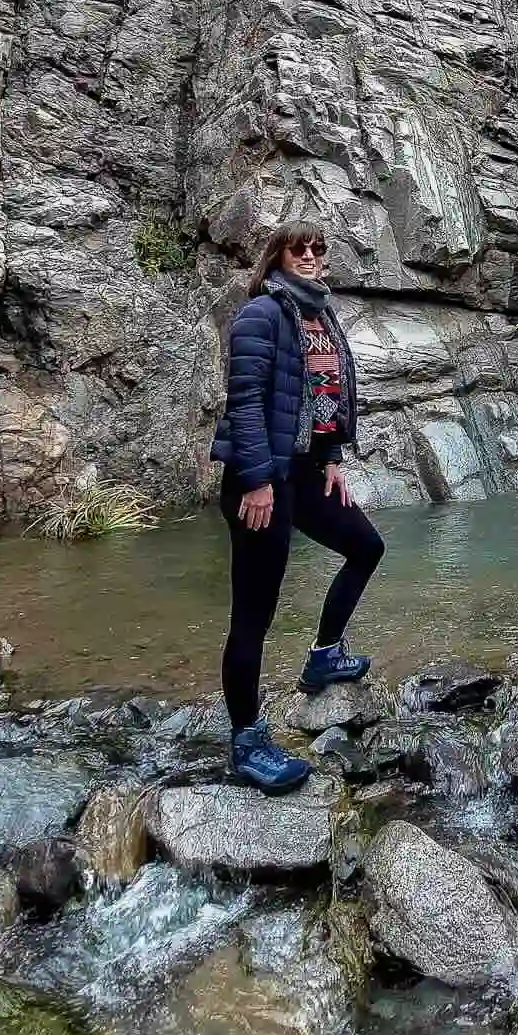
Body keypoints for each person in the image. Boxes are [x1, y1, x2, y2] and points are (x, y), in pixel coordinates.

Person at [210, 223, 385, 792]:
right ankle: (246, 740)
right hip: (259, 480)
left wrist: (332, 455)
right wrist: (258, 481)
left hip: (304, 473)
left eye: (318, 249)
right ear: (278, 258)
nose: (310, 257)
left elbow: (325, 396)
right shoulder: (263, 314)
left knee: (366, 546)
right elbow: (246, 403)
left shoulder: (322, 317)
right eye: (298, 249)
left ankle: (324, 654)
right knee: (254, 614)